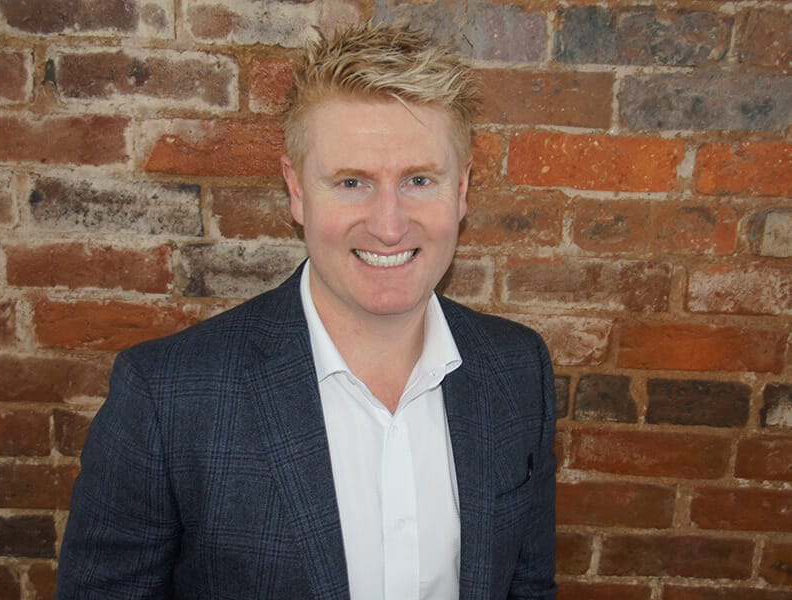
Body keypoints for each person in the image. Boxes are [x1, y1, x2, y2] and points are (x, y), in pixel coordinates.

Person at [57, 21, 556, 599]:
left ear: (462, 189)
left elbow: (528, 587)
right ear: (296, 191)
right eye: (351, 182)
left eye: (420, 180)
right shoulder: (166, 398)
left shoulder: (519, 369)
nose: (389, 225)